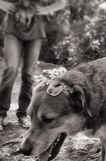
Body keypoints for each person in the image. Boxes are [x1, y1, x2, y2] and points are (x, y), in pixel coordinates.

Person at [0, 0, 66, 130]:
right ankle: (0, 114)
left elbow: (61, 2)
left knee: (28, 73)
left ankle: (23, 113)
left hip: (35, 29)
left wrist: (45, 10)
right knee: (11, 69)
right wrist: (4, 4)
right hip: (12, 26)